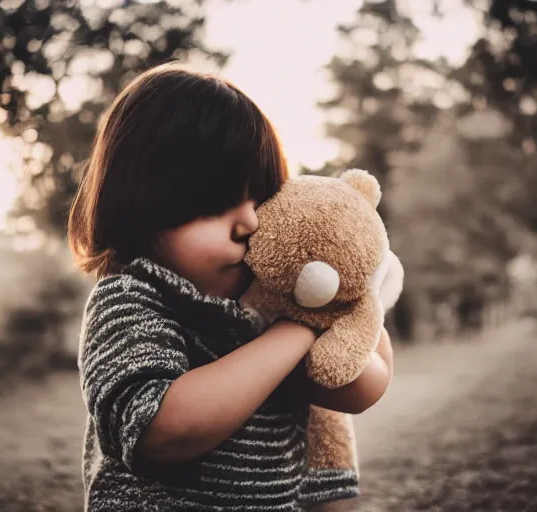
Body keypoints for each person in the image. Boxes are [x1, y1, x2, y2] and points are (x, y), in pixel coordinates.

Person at [67, 62, 394, 511]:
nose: (250, 221)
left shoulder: (265, 301)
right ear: (140, 200)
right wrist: (294, 333)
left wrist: (350, 307)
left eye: (260, 198)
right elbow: (162, 432)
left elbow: (357, 389)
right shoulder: (131, 298)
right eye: (216, 204)